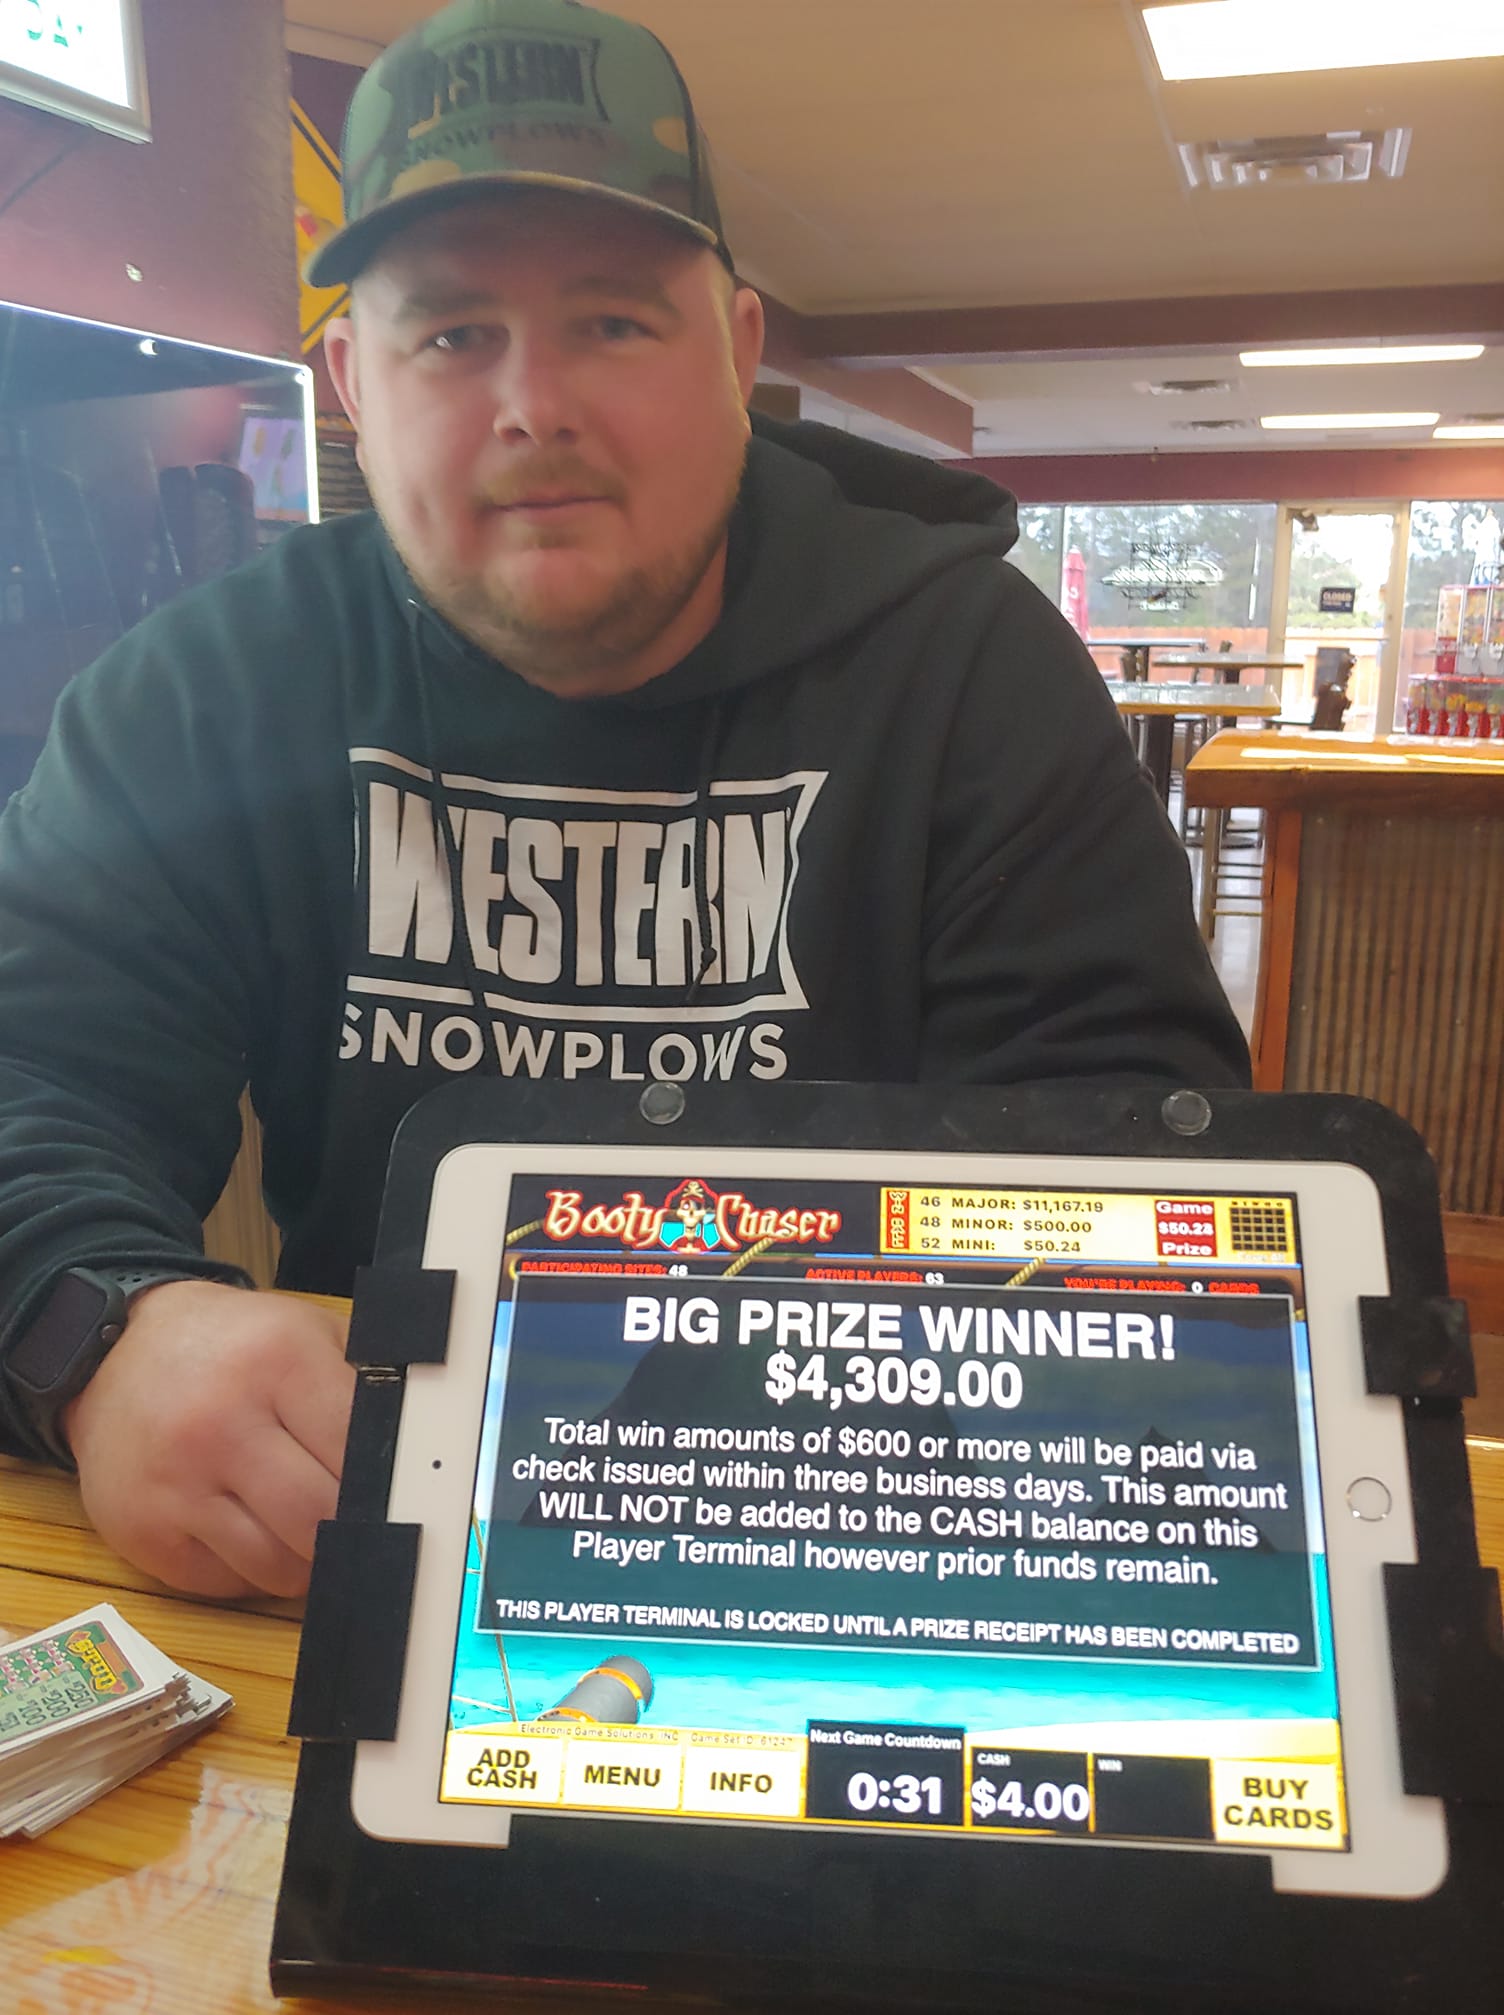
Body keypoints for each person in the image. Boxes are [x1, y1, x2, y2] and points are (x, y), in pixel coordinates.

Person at [0, 0, 1247, 1599]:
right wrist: (102, 1334)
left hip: (880, 1526)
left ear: (738, 353)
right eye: (452, 335)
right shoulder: (210, 689)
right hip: (359, 1547)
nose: (536, 407)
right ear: (352, 383)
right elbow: (38, 1072)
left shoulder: (971, 673)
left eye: (612, 322)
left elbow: (1133, 1162)